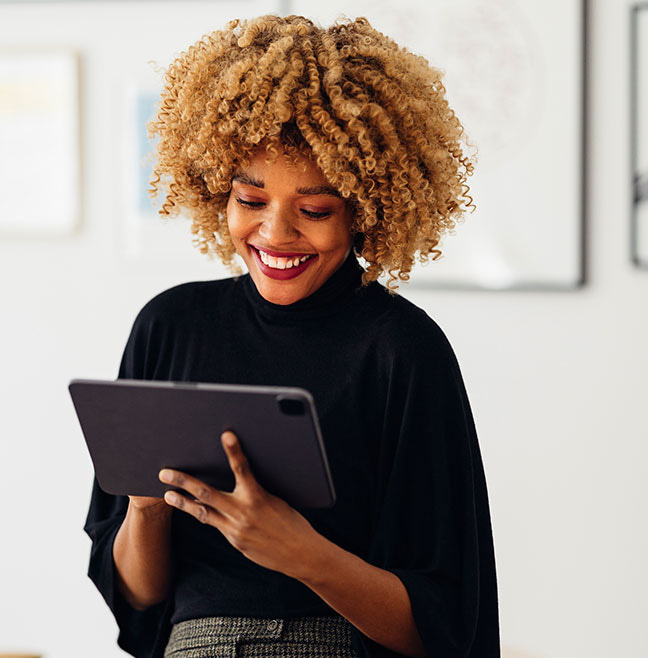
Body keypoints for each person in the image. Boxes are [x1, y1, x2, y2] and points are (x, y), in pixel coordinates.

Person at [84, 14, 499, 658]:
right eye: (250, 201)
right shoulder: (169, 326)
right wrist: (146, 507)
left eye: (314, 210)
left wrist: (302, 553)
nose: (275, 234)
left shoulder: (401, 349)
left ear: (366, 209)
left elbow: (443, 628)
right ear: (217, 192)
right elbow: (138, 602)